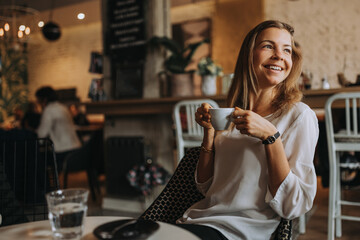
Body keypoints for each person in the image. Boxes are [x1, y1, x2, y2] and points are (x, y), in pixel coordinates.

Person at [175, 20, 319, 240]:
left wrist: (271, 138)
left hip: (241, 231)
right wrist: (209, 134)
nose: (279, 55)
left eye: (287, 50)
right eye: (268, 46)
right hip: (197, 219)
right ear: (249, 54)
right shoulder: (230, 115)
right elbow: (205, 187)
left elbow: (294, 205)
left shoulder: (298, 115)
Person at [35, 86, 82, 172]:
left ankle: (45, 185)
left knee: (34, 159)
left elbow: (41, 136)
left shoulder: (49, 111)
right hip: (77, 151)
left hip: (62, 153)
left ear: (44, 99)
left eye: (38, 100)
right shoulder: (63, 107)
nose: (37, 102)